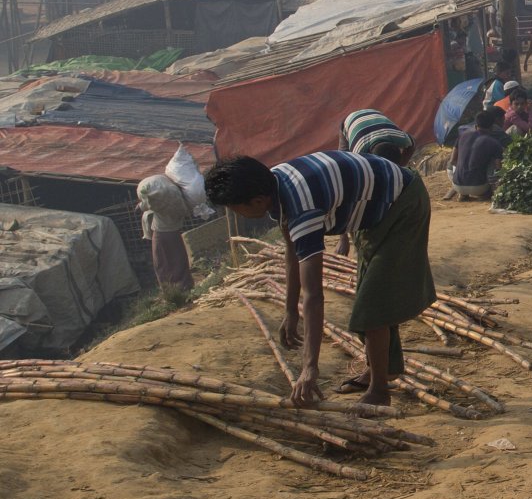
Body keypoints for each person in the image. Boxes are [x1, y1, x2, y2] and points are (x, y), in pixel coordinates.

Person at [203, 146, 434, 409]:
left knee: (373, 307)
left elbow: (314, 295)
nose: (236, 214)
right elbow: (293, 251)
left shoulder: (303, 208)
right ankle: (381, 371)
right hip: (374, 210)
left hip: (402, 204)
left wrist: (310, 368)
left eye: (235, 209)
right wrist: (290, 310)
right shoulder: (276, 181)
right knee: (371, 298)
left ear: (256, 201)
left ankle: (380, 390)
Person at [138, 175, 194, 294]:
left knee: (163, 264)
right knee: (179, 260)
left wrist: (141, 204)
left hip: (161, 235)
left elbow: (144, 205)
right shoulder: (172, 202)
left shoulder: (156, 202)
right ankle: (185, 286)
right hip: (174, 233)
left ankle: (171, 292)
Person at [451, 107, 508, 200]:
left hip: (457, 185)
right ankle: (490, 193)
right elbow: (498, 169)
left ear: (476, 124)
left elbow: (452, 161)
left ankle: (463, 195)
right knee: (494, 161)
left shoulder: (462, 136)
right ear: (492, 126)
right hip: (479, 187)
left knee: (462, 159)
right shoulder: (494, 143)